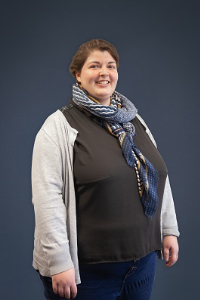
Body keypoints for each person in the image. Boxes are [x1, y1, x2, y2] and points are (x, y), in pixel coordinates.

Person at [32, 39, 179, 300]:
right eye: (94, 66)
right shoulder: (59, 125)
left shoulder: (134, 120)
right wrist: (58, 262)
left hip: (141, 266)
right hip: (88, 274)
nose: (104, 73)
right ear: (78, 74)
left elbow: (157, 174)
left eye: (111, 66)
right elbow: (47, 198)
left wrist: (168, 230)